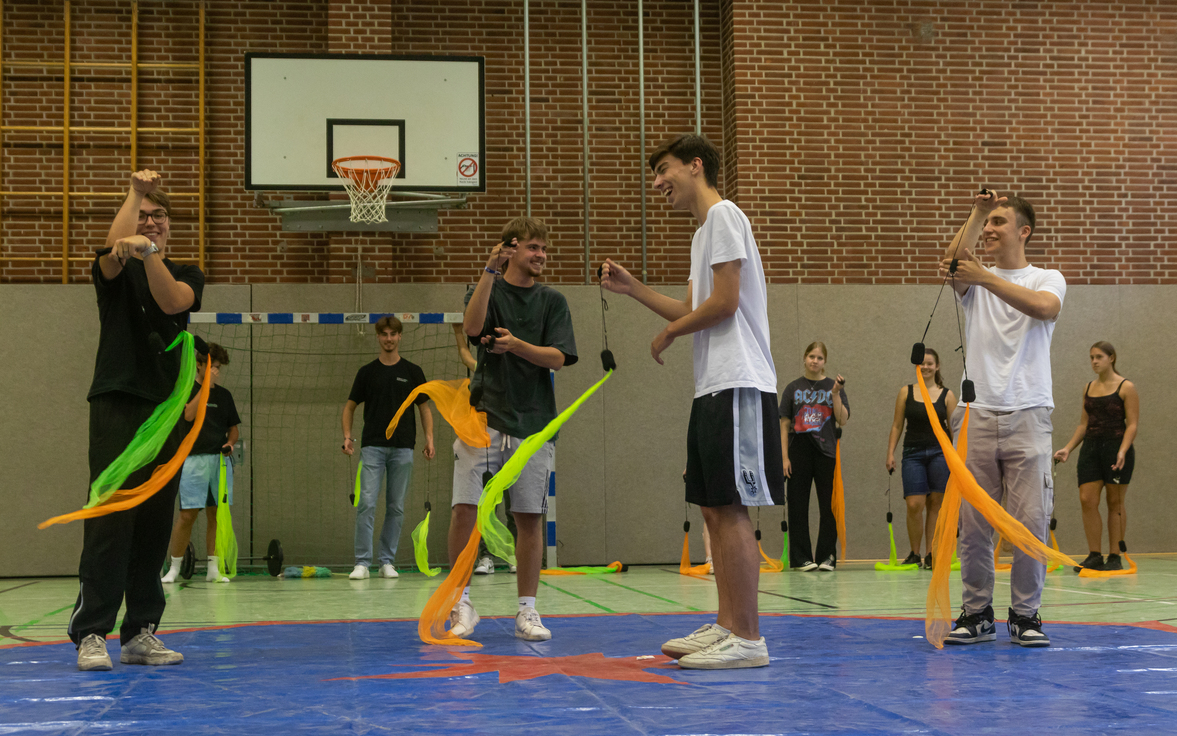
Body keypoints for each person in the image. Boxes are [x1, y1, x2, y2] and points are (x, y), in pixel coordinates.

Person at [602, 133, 784, 669]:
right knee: (712, 505)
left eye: (664, 169)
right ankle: (727, 624)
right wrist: (635, 289)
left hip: (740, 380)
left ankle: (748, 637)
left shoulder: (724, 215)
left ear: (695, 165)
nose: (657, 182)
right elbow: (690, 306)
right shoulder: (704, 233)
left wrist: (670, 334)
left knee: (731, 505)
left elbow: (724, 304)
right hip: (712, 385)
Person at [71, 169, 204, 671]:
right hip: (118, 402)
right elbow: (113, 249)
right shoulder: (115, 273)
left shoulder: (186, 273)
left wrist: (149, 252)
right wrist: (135, 192)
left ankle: (140, 631)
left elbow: (173, 302)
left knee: (153, 522)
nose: (150, 222)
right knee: (110, 517)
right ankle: (91, 633)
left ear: (170, 225)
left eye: (158, 215)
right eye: (142, 216)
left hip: (165, 412)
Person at [939, 190, 1065, 648]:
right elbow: (955, 261)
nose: (989, 230)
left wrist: (985, 278)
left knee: (1030, 522)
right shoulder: (973, 278)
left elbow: (1044, 308)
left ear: (1023, 231)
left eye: (998, 222)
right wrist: (975, 212)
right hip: (975, 414)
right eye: (986, 222)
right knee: (974, 524)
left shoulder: (1046, 277)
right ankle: (977, 614)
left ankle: (1025, 616)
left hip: (1029, 412)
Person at [450, 216, 577, 642]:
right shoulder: (487, 288)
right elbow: (472, 329)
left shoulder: (553, 301)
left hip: (534, 422)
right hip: (483, 417)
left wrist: (517, 346)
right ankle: (461, 603)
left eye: (544, 248)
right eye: (533, 247)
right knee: (465, 509)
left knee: (528, 517)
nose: (541, 255)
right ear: (510, 249)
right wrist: (489, 270)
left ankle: (527, 610)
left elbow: (558, 358)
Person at [342, 316, 435, 580]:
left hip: (403, 448)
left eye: (393, 334)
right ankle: (362, 563)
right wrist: (347, 436)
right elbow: (349, 407)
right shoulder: (367, 372)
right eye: (384, 334)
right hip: (372, 447)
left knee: (396, 506)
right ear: (378, 337)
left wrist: (429, 438)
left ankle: (386, 561)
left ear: (400, 336)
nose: (389, 339)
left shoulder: (413, 371)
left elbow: (424, 409)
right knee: (366, 503)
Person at [1053, 342, 1139, 572]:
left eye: (1099, 357)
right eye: (1091, 357)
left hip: (1116, 449)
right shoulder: (1088, 388)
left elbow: (1132, 424)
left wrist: (1122, 450)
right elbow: (1084, 424)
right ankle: (1094, 555)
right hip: (1090, 450)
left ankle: (1114, 556)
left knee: (1115, 502)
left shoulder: (1126, 387)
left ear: (1111, 358)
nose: (1094, 361)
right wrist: (1068, 448)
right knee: (1087, 500)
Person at [160, 342, 241, 584]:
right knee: (188, 515)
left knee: (216, 514)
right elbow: (188, 415)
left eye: (219, 368)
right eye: (212, 366)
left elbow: (233, 429)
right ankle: (174, 568)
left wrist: (230, 443)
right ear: (199, 364)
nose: (216, 371)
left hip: (219, 462)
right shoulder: (187, 389)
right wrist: (205, 386)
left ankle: (213, 569)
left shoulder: (224, 396)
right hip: (193, 461)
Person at [884, 348, 957, 569]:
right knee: (914, 504)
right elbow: (897, 425)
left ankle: (931, 554)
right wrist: (890, 453)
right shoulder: (905, 392)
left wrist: (958, 459)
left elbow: (954, 430)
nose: (925, 367)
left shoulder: (948, 395)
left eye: (930, 363)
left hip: (940, 454)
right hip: (913, 454)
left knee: (936, 503)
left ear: (937, 366)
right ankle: (914, 554)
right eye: (922, 363)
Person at [780, 342, 850, 571]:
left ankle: (826, 556)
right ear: (804, 358)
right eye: (811, 356)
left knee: (829, 506)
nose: (815, 361)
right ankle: (801, 558)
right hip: (798, 450)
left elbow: (843, 419)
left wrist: (836, 393)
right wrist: (784, 458)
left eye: (819, 358)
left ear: (824, 361)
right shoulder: (792, 388)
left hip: (826, 451)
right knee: (798, 506)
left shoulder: (833, 386)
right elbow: (784, 424)